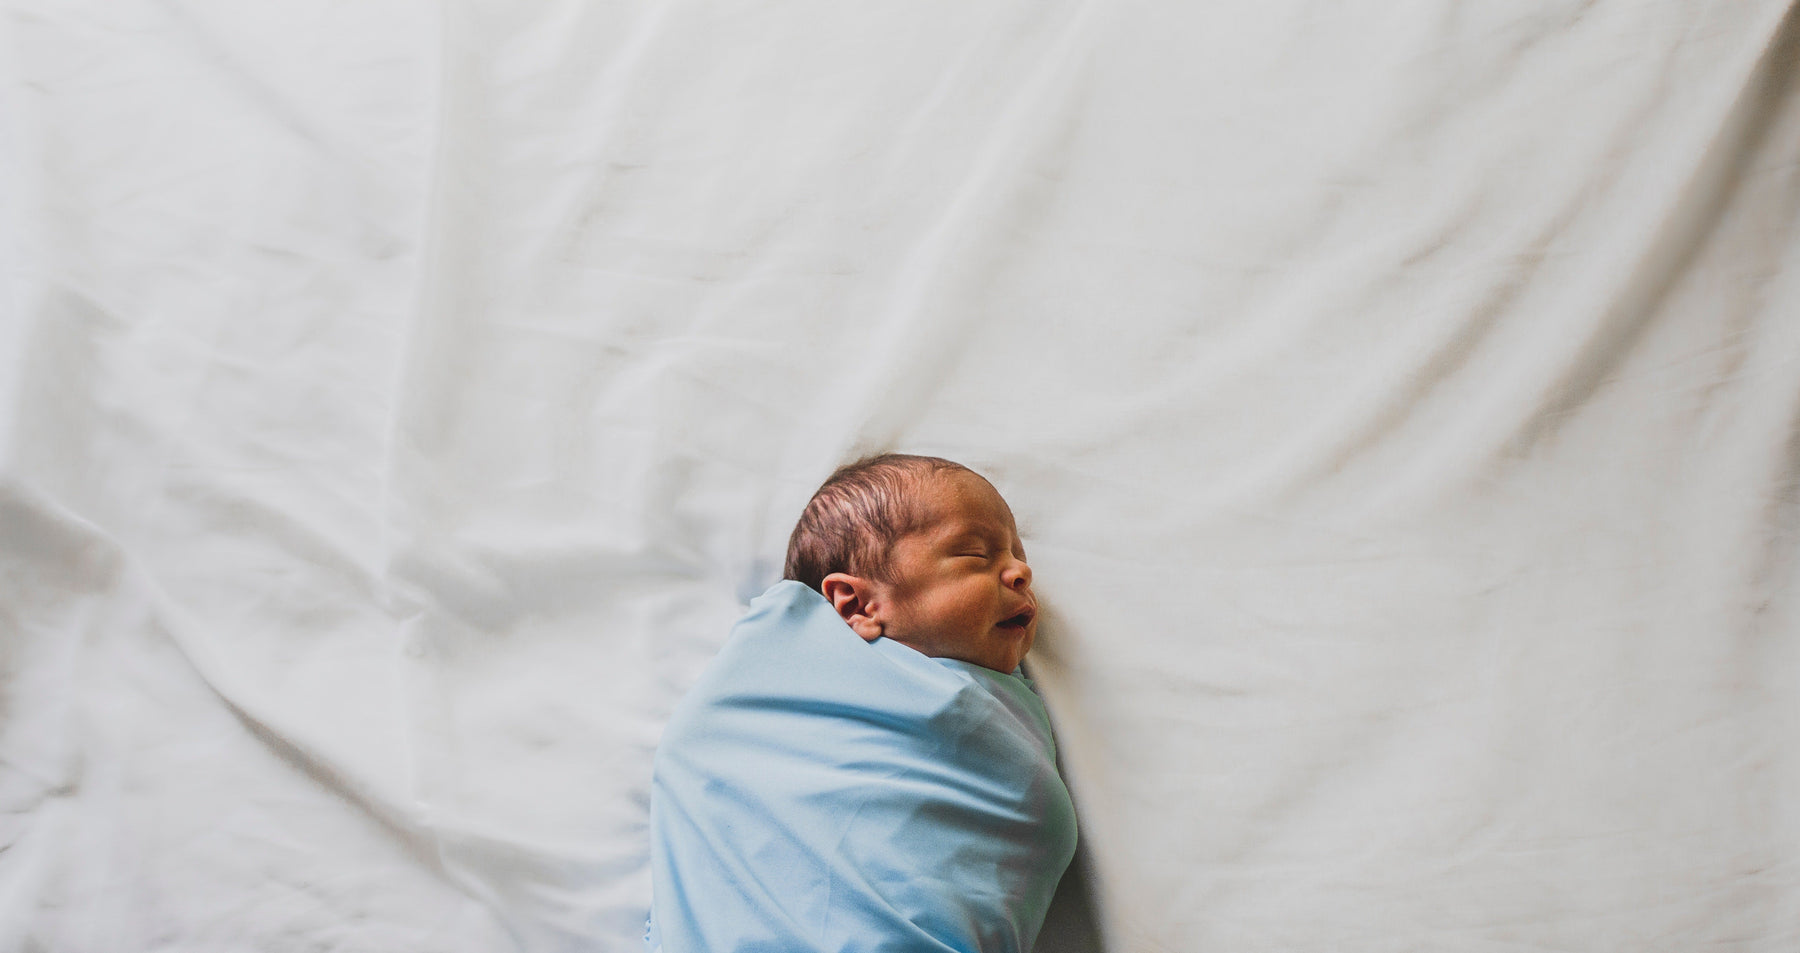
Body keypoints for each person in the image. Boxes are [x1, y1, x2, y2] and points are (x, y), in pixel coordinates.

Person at [645, 454, 1078, 952]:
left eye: (1018, 554)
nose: (1021, 571)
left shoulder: (990, 715)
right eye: (976, 555)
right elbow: (703, 760)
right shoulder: (763, 699)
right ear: (856, 605)